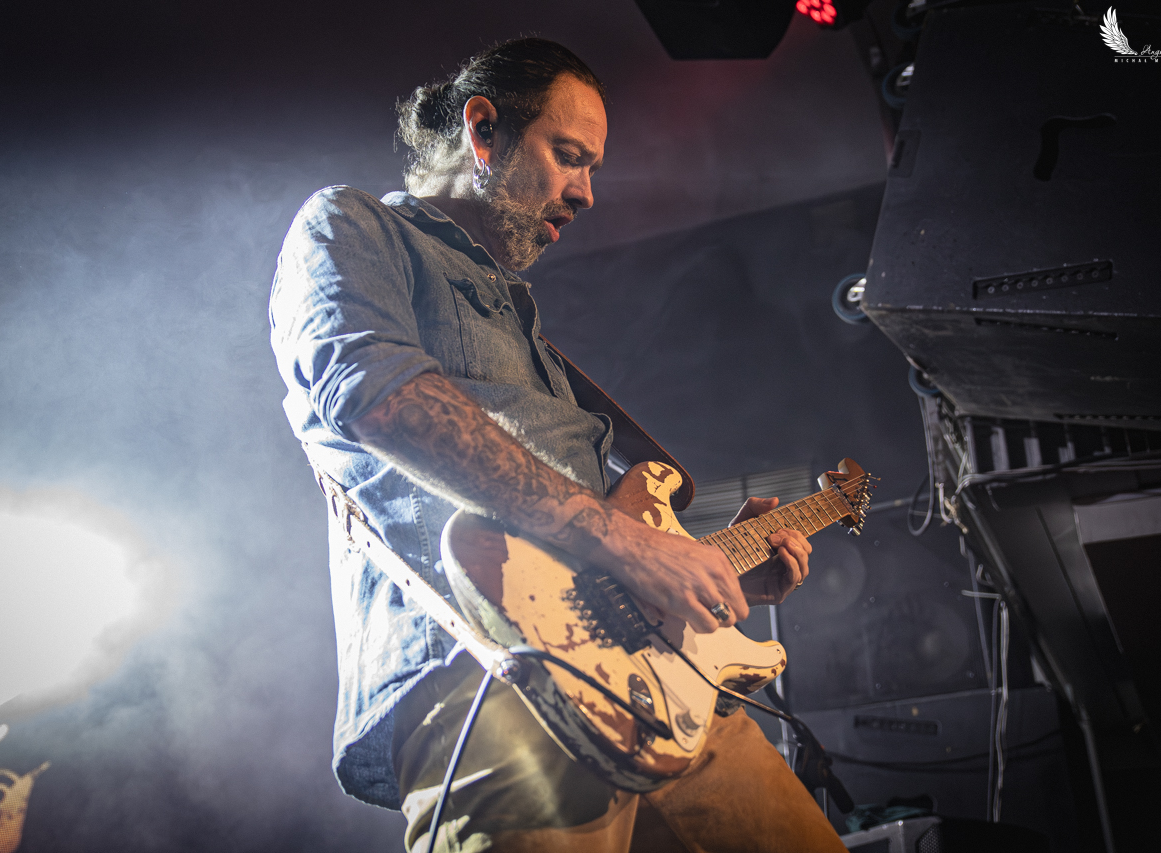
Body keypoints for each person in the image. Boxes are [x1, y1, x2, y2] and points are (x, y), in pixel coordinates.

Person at [270, 38, 847, 853]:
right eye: (568, 156)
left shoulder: (525, 324)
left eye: (593, 168)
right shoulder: (351, 225)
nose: (585, 192)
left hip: (665, 682)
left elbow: (596, 534)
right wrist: (626, 542)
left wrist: (700, 573)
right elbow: (379, 399)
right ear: (483, 129)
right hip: (485, 671)